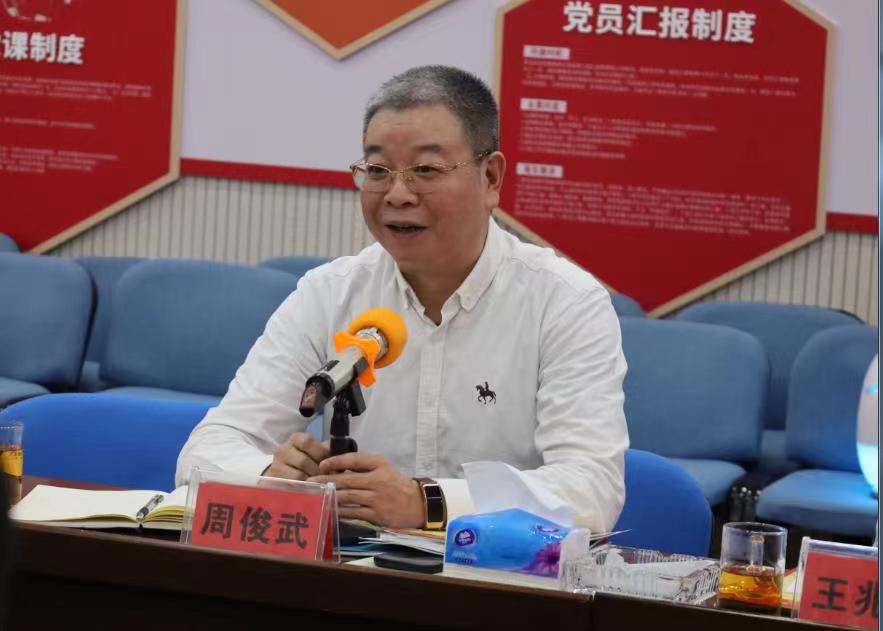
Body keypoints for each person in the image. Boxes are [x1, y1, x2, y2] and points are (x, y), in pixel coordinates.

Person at [176, 65, 629, 532]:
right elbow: (206, 450)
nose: (397, 194)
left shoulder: (565, 303)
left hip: (495, 572)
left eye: (425, 170)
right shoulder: (330, 293)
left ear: (491, 177)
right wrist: (269, 476)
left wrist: (426, 502)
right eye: (377, 170)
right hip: (350, 568)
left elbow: (590, 492)